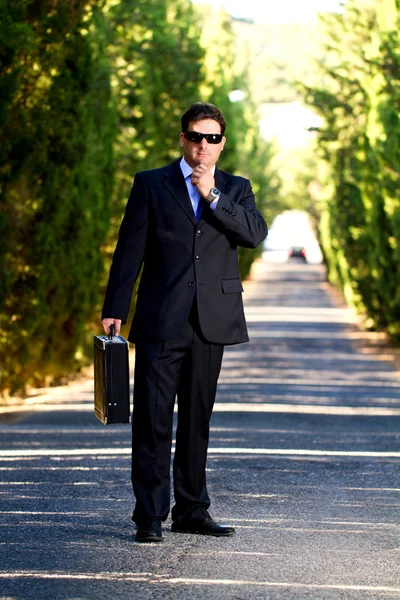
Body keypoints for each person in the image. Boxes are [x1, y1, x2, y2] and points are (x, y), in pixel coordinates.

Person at [101, 102, 268, 543]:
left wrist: (213, 194)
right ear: (183, 139)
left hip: (211, 322)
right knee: (153, 419)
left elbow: (254, 235)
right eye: (196, 136)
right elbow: (129, 249)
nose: (203, 146)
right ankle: (150, 515)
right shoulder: (151, 184)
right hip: (161, 317)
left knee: (197, 420)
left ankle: (192, 510)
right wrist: (115, 305)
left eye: (212, 138)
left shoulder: (236, 188)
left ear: (222, 143)